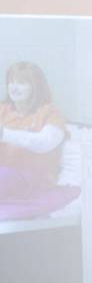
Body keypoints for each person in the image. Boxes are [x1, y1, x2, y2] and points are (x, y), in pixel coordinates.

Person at [0, 61, 67, 200]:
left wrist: (4, 134)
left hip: (33, 180)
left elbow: (45, 143)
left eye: (22, 83)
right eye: (11, 82)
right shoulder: (3, 110)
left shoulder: (50, 113)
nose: (14, 88)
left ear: (36, 87)